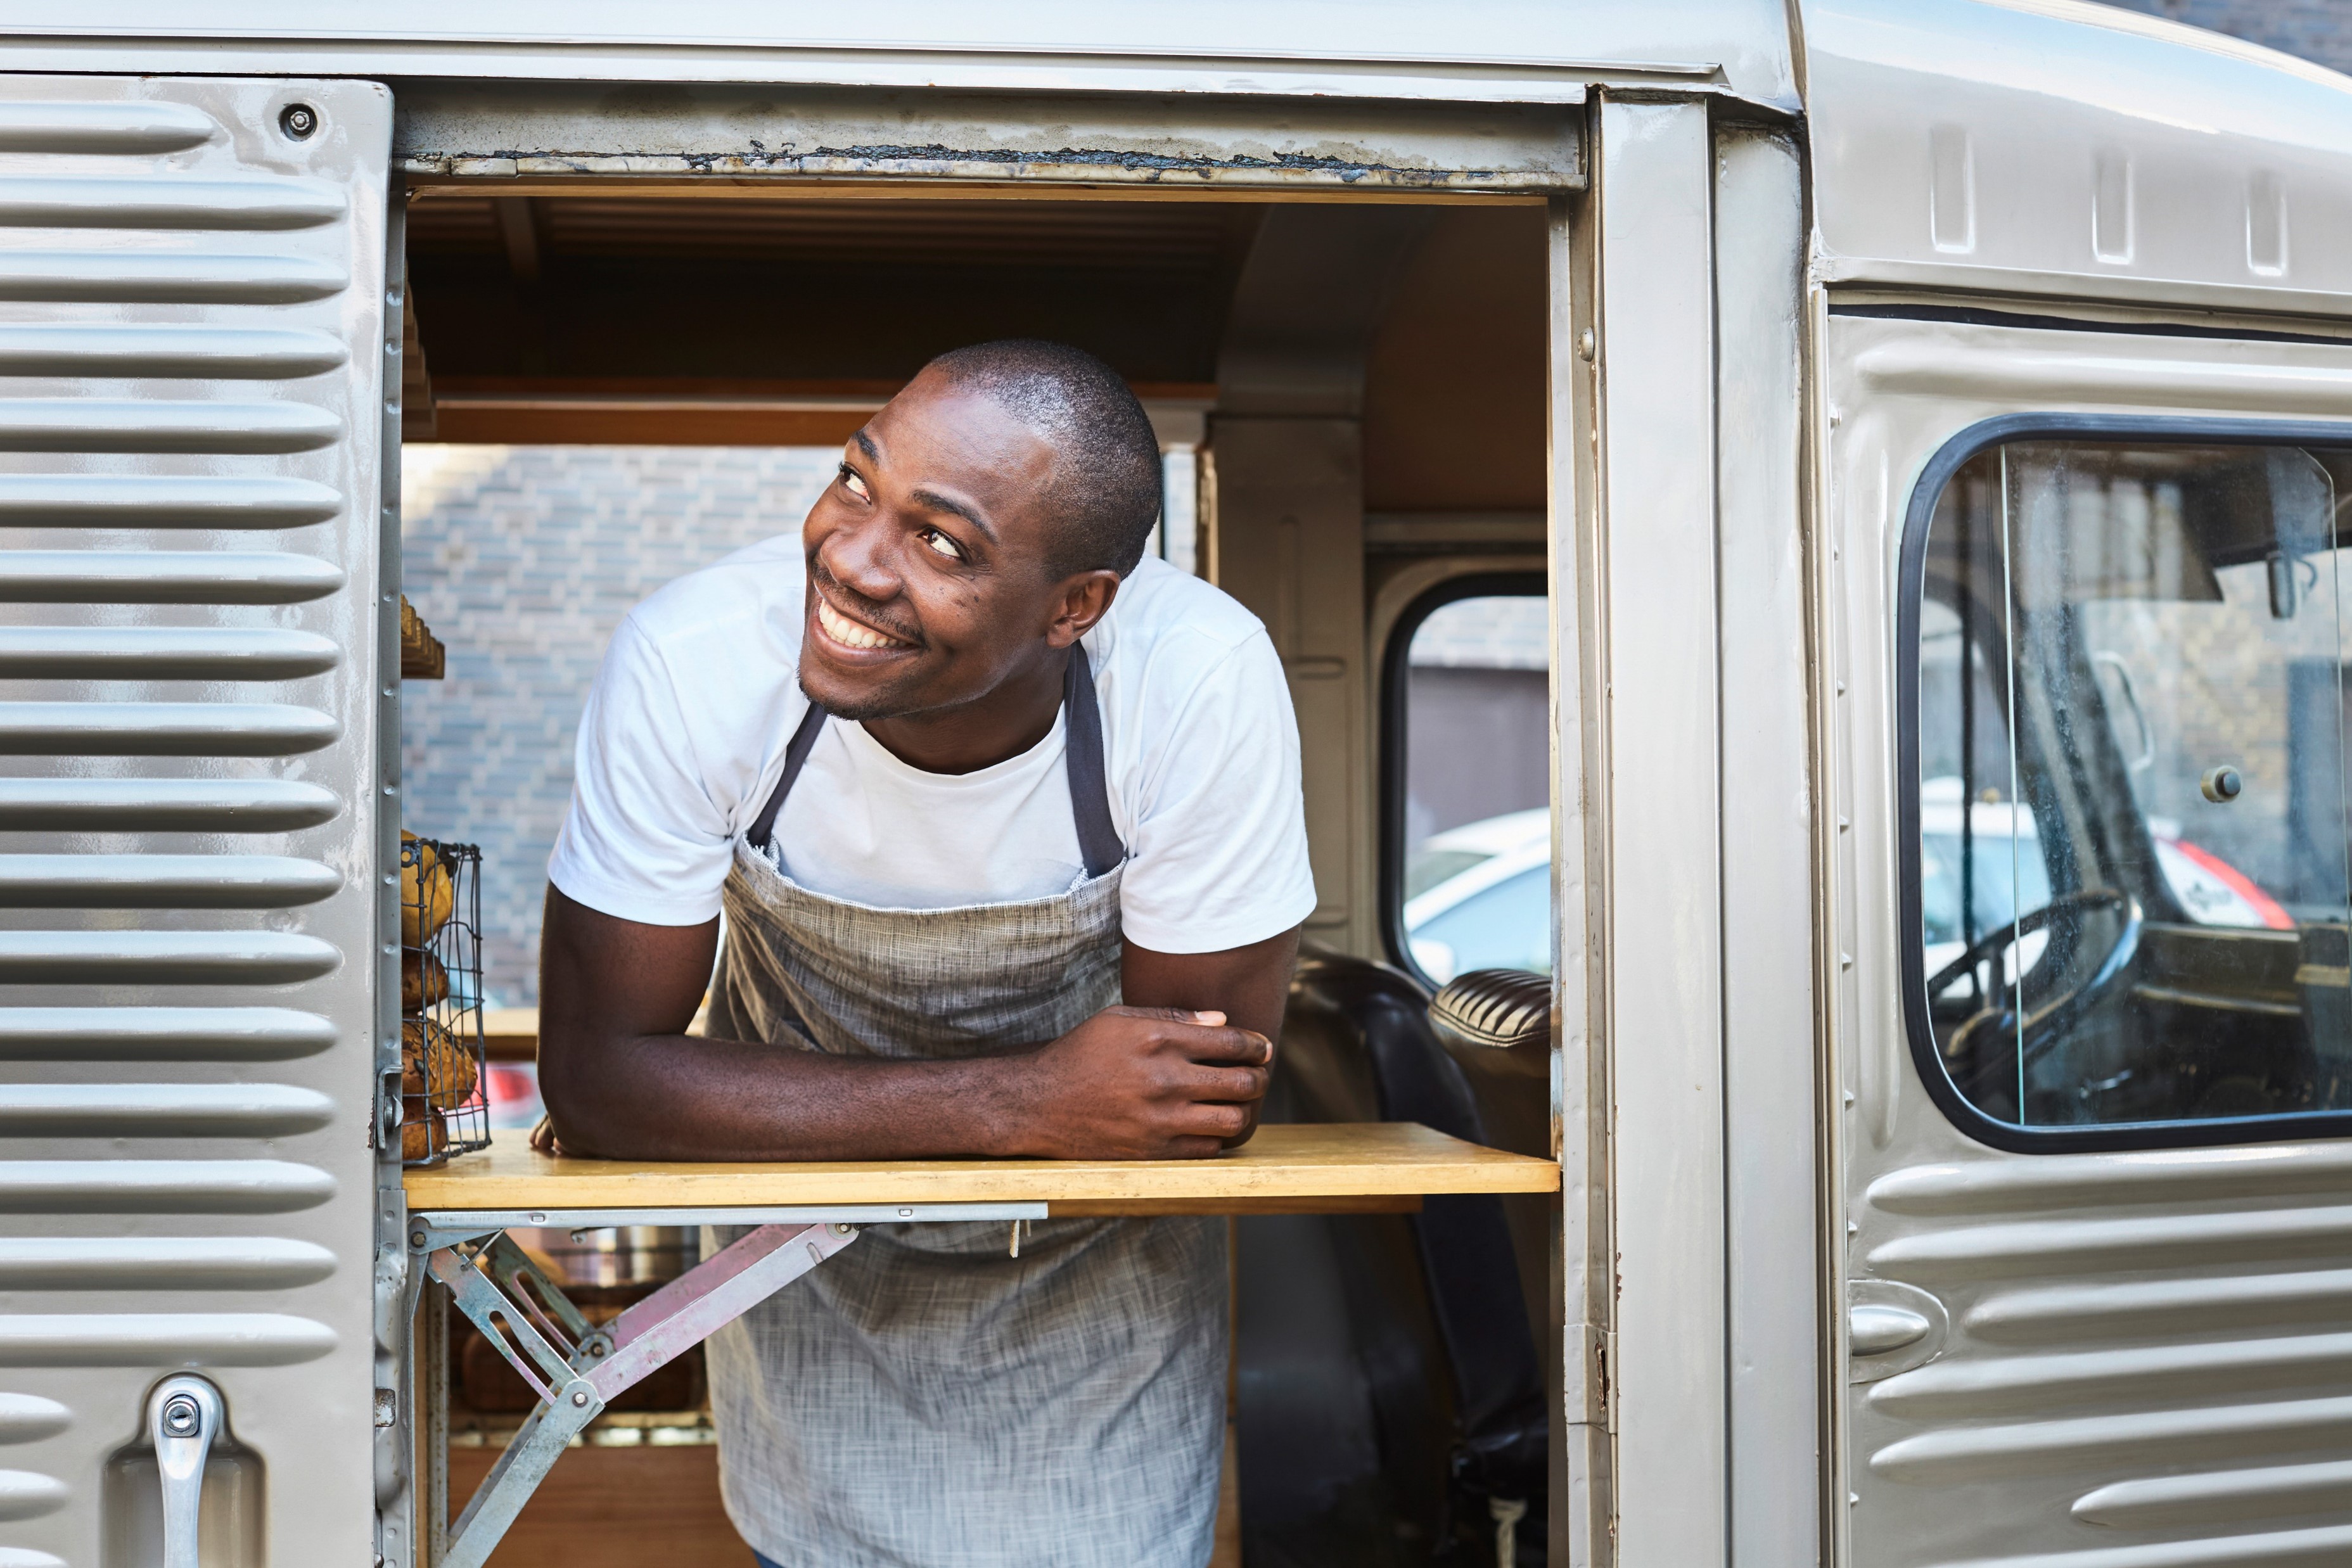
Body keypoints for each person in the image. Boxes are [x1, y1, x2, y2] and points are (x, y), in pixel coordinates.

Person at [535, 339, 1315, 1568]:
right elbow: (596, 1082)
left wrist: (1048, 1114)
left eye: (941, 543)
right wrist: (1022, 1097)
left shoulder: (1194, 682)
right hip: (805, 1253)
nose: (849, 559)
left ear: (1076, 605)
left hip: (1091, 1289)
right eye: (856, 481)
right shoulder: (696, 656)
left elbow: (1184, 1107)